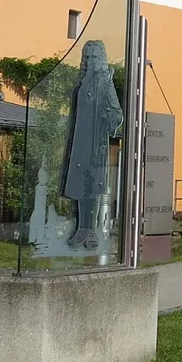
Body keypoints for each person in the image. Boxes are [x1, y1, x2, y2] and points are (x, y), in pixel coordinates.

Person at [63, 40, 123, 250]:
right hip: (79, 140)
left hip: (95, 142)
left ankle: (89, 230)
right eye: (87, 57)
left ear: (101, 59)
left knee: (91, 183)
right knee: (79, 183)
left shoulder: (105, 83)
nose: (90, 61)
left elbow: (117, 113)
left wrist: (105, 120)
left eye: (95, 57)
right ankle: (82, 228)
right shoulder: (81, 83)